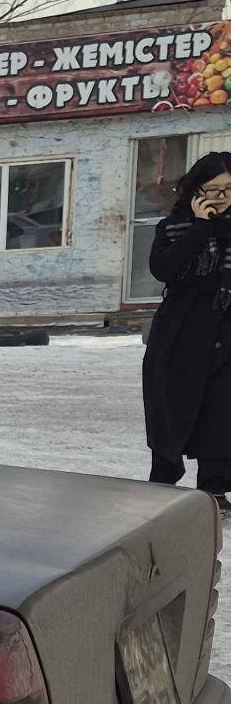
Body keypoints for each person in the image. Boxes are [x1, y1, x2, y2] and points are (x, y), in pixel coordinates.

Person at [144, 151, 231, 511]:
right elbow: (164, 269)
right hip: (182, 325)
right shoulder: (174, 226)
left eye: (228, 190)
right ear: (195, 190)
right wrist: (200, 226)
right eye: (213, 189)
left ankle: (215, 488)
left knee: (222, 407)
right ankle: (164, 477)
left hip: (226, 323)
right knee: (170, 400)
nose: (221, 198)